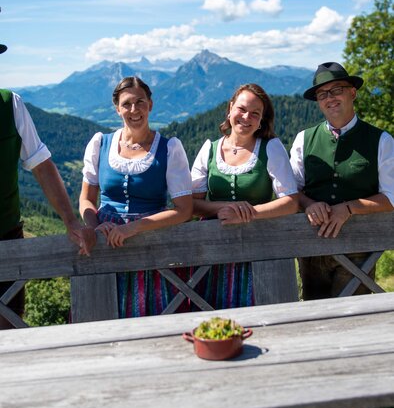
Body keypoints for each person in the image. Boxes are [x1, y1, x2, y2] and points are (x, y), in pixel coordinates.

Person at [79, 76, 193, 318]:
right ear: (117, 109)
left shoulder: (170, 148)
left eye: (140, 102)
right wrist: (96, 226)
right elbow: (86, 200)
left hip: (153, 243)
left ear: (150, 105)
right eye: (127, 104)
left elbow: (184, 210)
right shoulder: (100, 144)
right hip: (105, 242)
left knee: (154, 312)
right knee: (104, 315)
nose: (134, 110)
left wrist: (134, 228)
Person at [0, 43, 92, 329]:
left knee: (10, 332)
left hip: (6, 240)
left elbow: (42, 165)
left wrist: (70, 220)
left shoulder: (10, 104)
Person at [290, 61, 394, 300]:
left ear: (352, 92)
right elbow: (291, 192)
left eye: (337, 90)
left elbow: (391, 197)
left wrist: (349, 208)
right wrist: (308, 204)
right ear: (318, 102)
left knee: (354, 318)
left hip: (360, 247)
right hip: (311, 246)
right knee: (313, 316)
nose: (330, 98)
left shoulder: (381, 140)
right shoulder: (303, 140)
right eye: (323, 94)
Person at [191, 83, 299, 309]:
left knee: (260, 308)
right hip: (213, 247)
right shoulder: (209, 149)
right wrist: (221, 209)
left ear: (261, 120)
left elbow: (290, 202)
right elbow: (190, 204)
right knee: (213, 309)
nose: (246, 117)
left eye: (255, 113)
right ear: (230, 109)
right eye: (241, 109)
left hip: (260, 244)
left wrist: (249, 214)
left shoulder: (271, 147)